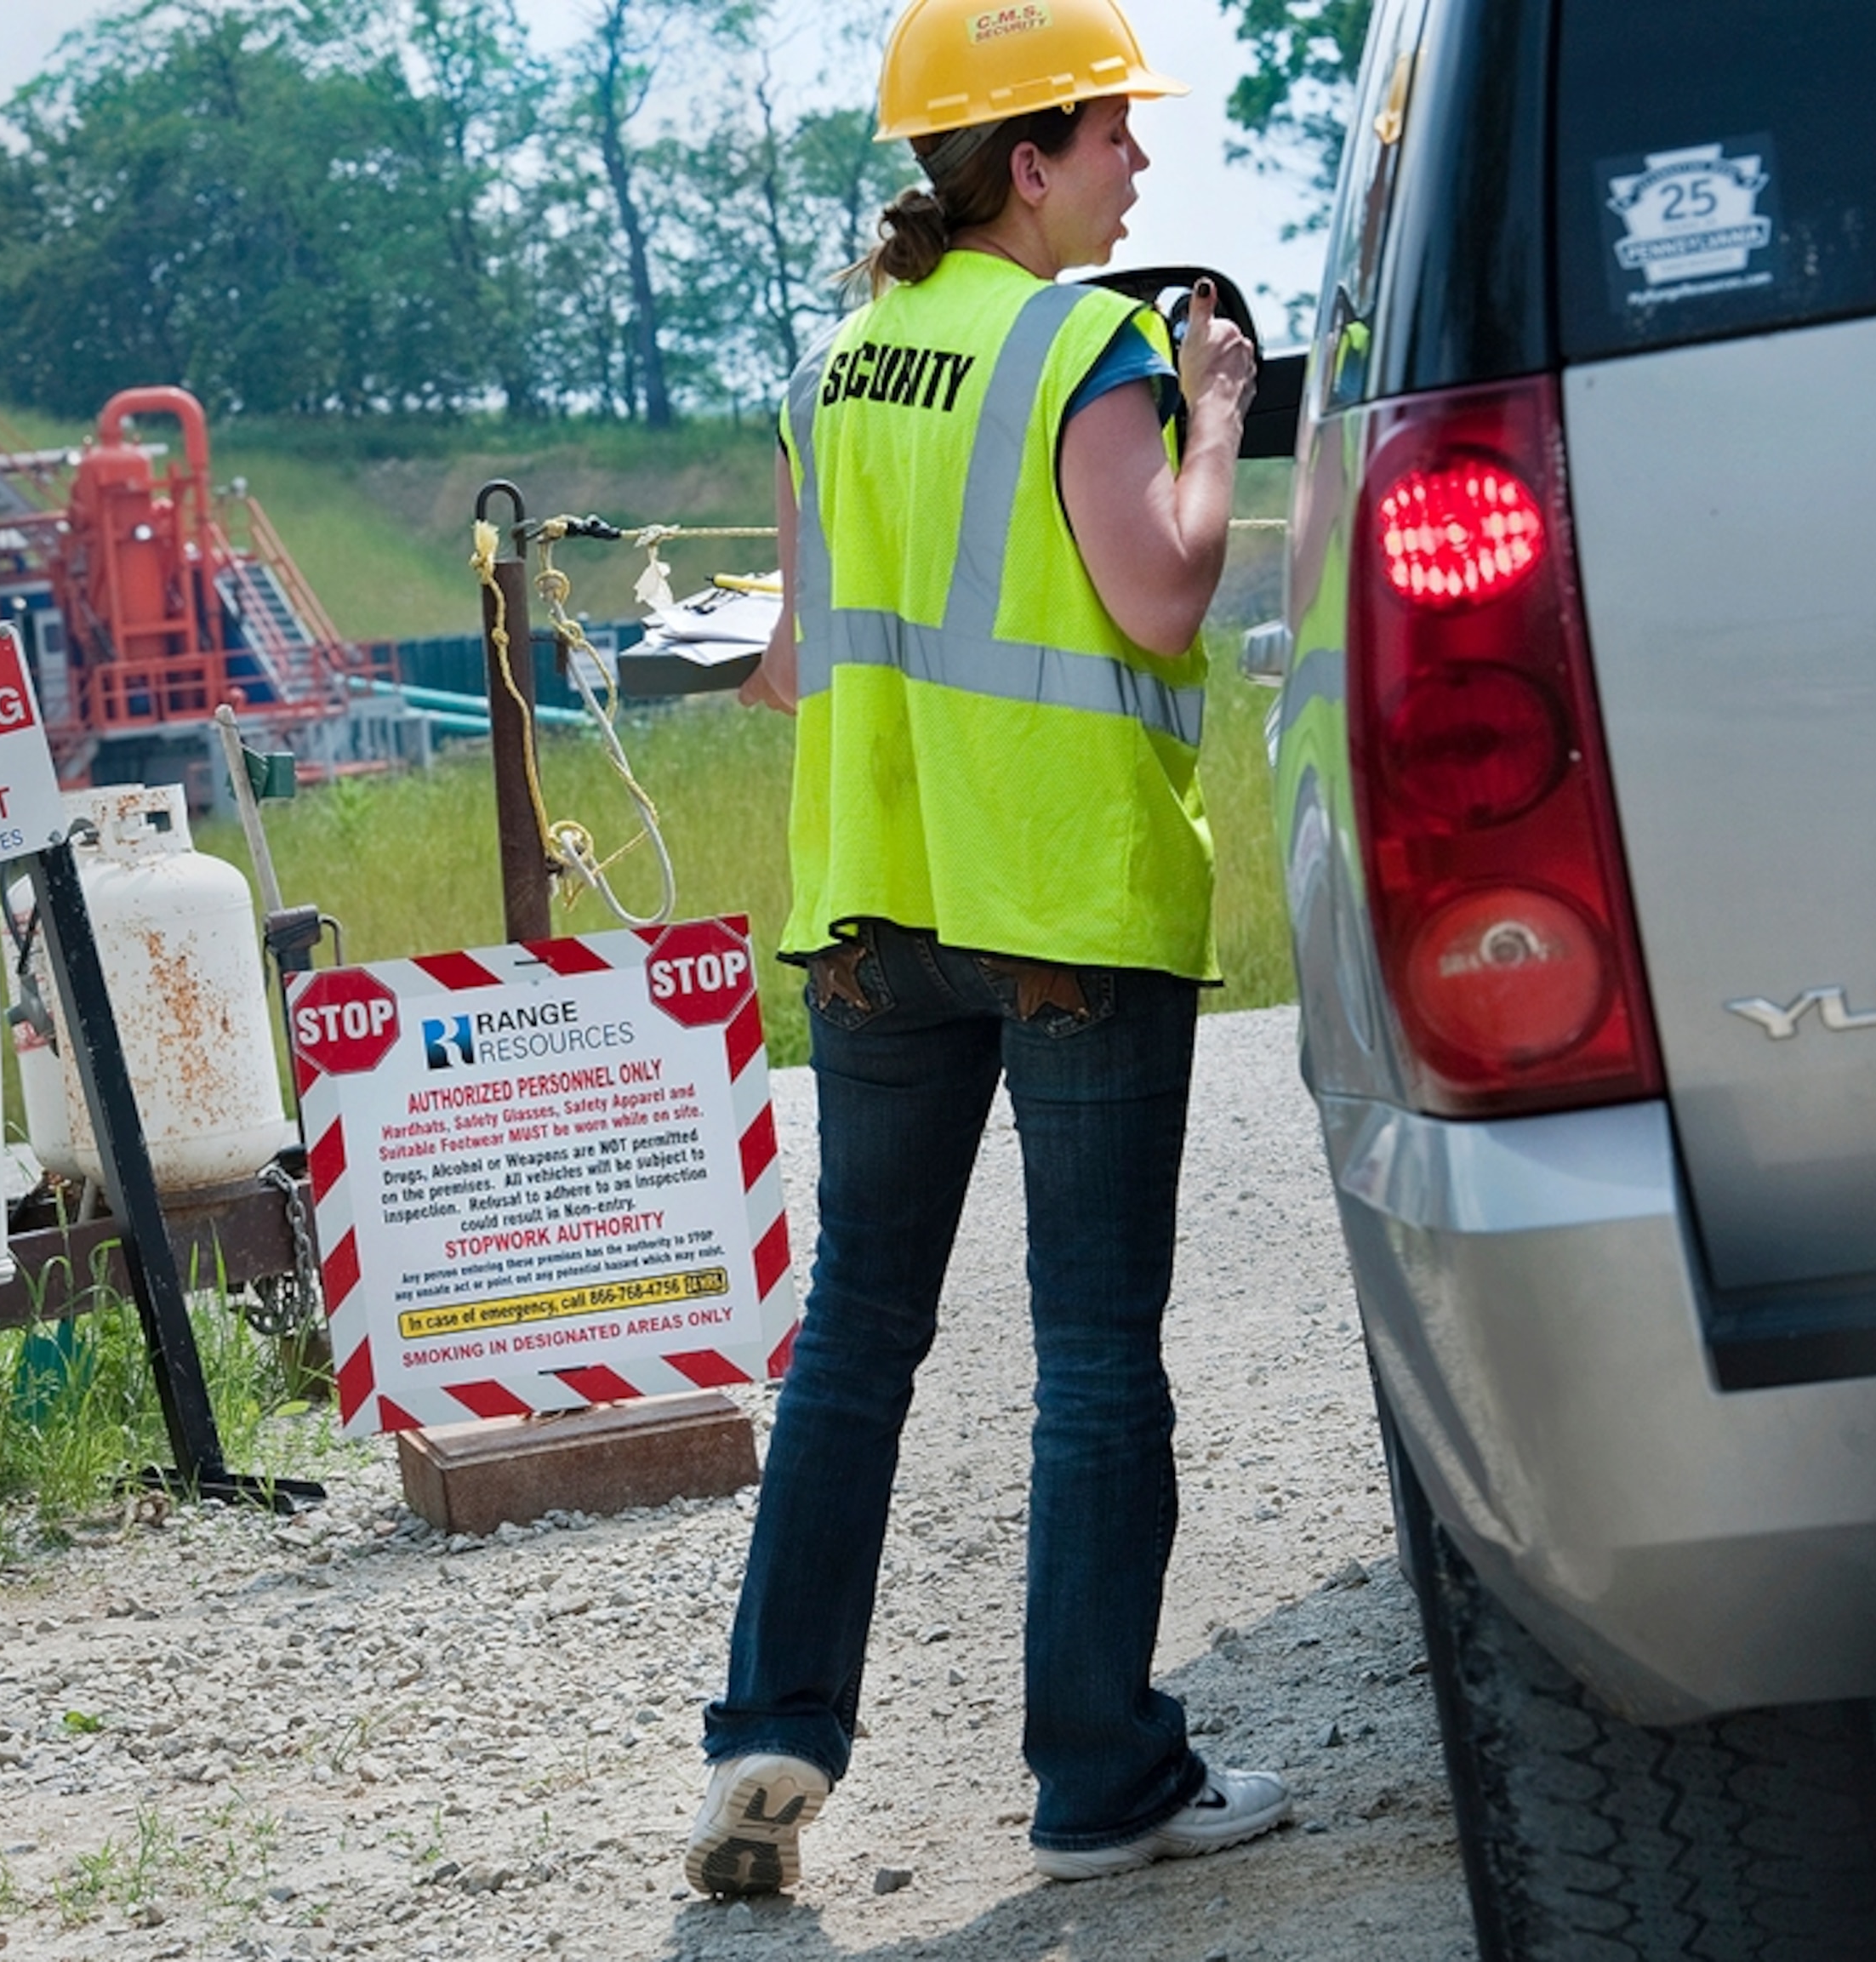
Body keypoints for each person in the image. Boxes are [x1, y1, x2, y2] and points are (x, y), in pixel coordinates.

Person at [686, 0, 1280, 1898]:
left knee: (857, 1331)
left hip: (877, 916)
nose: (1142, 165)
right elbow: (1162, 584)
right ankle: (1099, 1781)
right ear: (1028, 162)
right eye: (1116, 135)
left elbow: (793, 666)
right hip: (1067, 913)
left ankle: (772, 1727)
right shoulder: (1090, 348)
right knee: (1095, 1352)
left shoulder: (842, 364)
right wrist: (1215, 422)